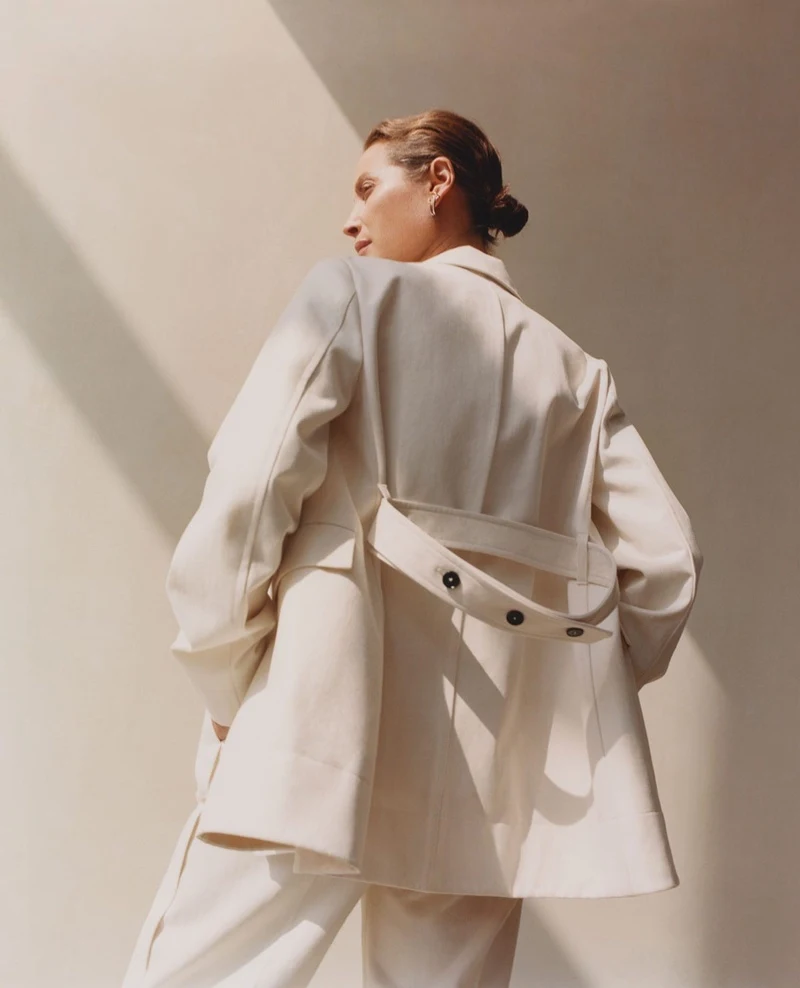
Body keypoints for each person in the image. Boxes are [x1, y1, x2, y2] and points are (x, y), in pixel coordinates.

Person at [121, 108, 703, 988]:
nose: (350, 219)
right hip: (486, 772)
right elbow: (667, 565)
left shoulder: (353, 297)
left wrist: (224, 670)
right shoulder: (576, 372)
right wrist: (560, 683)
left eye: (368, 189)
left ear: (438, 181)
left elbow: (251, 485)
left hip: (315, 717)